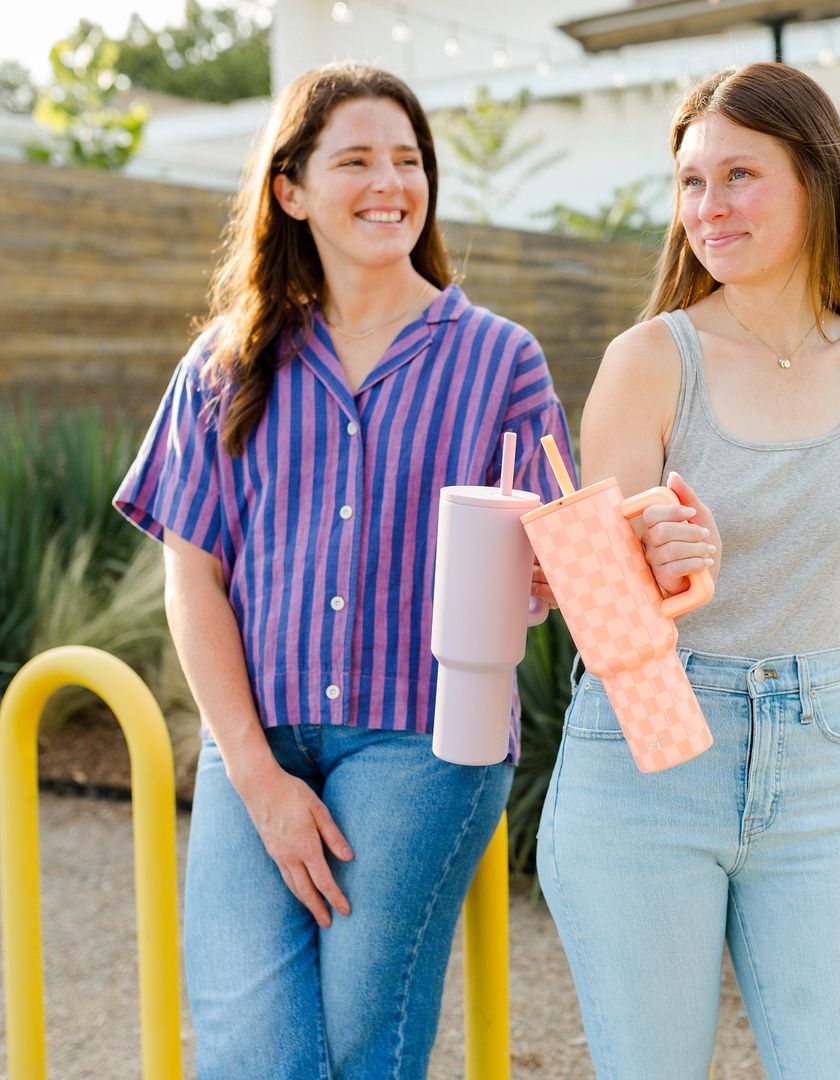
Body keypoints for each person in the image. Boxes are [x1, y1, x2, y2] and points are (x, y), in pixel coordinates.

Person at [113, 63, 573, 1079]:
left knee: (362, 1046)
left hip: (425, 741)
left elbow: (544, 573)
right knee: (252, 1052)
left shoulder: (502, 361)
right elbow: (192, 580)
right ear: (291, 189)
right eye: (356, 159)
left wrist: (540, 583)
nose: (389, 184)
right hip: (257, 738)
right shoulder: (227, 365)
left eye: (408, 161)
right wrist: (256, 775)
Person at [536, 62, 840, 1079]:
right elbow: (598, 609)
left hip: (816, 754)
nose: (707, 208)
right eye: (690, 182)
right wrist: (665, 577)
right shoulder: (649, 361)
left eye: (739, 176)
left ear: (816, 179)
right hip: (648, 767)